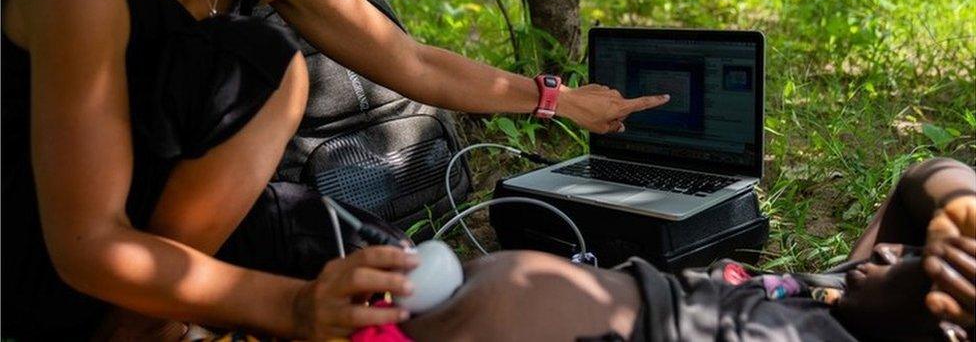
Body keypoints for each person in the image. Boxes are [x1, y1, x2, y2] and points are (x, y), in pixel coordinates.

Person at [0, 0, 669, 339]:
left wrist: (556, 99)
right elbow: (87, 244)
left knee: (396, 280)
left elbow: (408, 60)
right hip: (50, 273)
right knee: (270, 69)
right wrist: (289, 306)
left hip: (179, 228)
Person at [394, 157, 975, 342]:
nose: (887, 253)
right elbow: (929, 172)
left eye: (916, 266)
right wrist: (960, 211)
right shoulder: (854, 288)